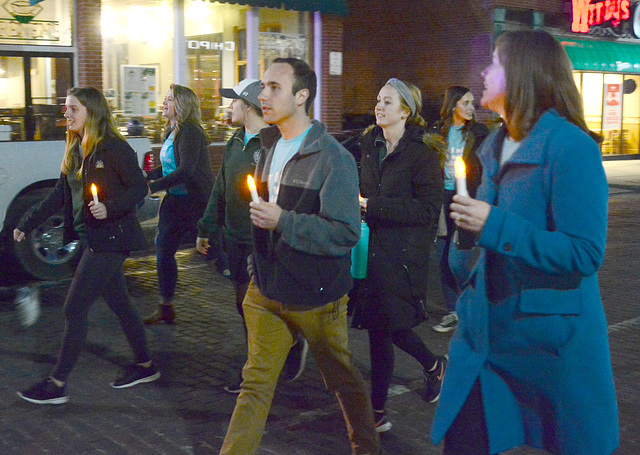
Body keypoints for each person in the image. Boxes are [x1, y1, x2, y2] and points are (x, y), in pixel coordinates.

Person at [431, 30, 619, 454]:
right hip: (485, 341)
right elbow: (474, 257)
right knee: (462, 442)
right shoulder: (492, 147)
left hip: (549, 348)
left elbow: (585, 253)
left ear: (523, 75)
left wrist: (494, 225)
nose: (483, 71)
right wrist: (465, 237)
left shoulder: (570, 148)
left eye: (494, 62)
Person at [219, 58, 379, 455]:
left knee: (342, 379)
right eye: (263, 87)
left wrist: (283, 222)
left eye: (274, 87)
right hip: (267, 291)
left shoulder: (334, 159)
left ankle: (367, 446)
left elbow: (345, 232)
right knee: (255, 384)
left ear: (302, 96)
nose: (262, 95)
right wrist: (258, 266)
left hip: (316, 295)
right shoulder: (268, 145)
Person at [14, 87, 159, 405]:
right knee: (120, 303)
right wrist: (25, 224)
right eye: (66, 109)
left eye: (72, 109)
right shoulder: (76, 147)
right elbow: (58, 195)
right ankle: (146, 365)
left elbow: (138, 187)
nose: (66, 114)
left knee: (73, 308)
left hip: (111, 239)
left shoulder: (114, 148)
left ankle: (57, 384)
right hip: (93, 238)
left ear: (91, 112)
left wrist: (111, 207)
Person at [195, 79, 308, 393]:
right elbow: (220, 188)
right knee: (243, 305)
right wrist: (206, 228)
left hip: (264, 241)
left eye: (233, 102)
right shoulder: (234, 142)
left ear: (247, 106)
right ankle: (275, 351)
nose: (229, 107)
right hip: (235, 238)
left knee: (261, 306)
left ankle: (261, 367)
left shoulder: (274, 144)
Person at [350, 78, 446, 433]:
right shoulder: (369, 143)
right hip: (368, 250)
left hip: (402, 256)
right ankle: (432, 365)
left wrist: (371, 206)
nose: (379, 107)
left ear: (406, 110)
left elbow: (426, 210)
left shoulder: (422, 154)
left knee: (385, 328)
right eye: (378, 100)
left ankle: (377, 411)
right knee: (385, 327)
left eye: (387, 102)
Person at [144, 84, 215, 324]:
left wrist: (151, 187)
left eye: (170, 99)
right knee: (163, 250)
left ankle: (248, 296)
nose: (164, 103)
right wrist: (145, 177)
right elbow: (167, 167)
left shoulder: (190, 131)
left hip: (196, 202)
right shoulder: (171, 131)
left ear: (182, 105)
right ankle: (166, 306)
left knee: (215, 253)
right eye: (165, 98)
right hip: (175, 201)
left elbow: (186, 171)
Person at [430, 86, 489, 333]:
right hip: (441, 197)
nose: (470, 108)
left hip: (466, 197)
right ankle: (454, 311)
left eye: (472, 103)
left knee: (457, 260)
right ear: (453, 104)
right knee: (442, 258)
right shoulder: (437, 132)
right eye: (465, 102)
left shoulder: (479, 133)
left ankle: (475, 302)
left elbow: (487, 167)